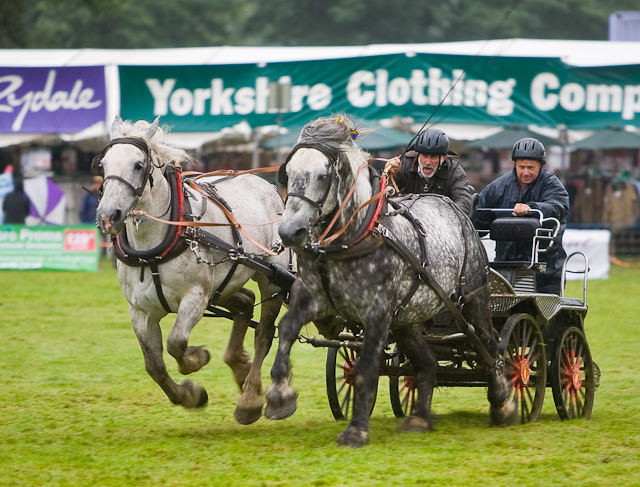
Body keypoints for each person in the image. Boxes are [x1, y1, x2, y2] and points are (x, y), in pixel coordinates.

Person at [472, 137, 570, 295]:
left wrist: (531, 209)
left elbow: (559, 207)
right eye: (521, 166)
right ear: (514, 165)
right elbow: (479, 219)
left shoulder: (552, 184)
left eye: (531, 167)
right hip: (505, 265)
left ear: (540, 165)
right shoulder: (497, 187)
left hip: (545, 267)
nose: (525, 172)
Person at [384, 127, 472, 215]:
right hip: (408, 220)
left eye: (433, 157)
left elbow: (464, 200)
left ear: (443, 158)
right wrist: (389, 174)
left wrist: (445, 217)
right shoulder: (405, 163)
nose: (428, 162)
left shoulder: (453, 168)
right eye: (424, 156)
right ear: (418, 154)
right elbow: (384, 193)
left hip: (442, 221)